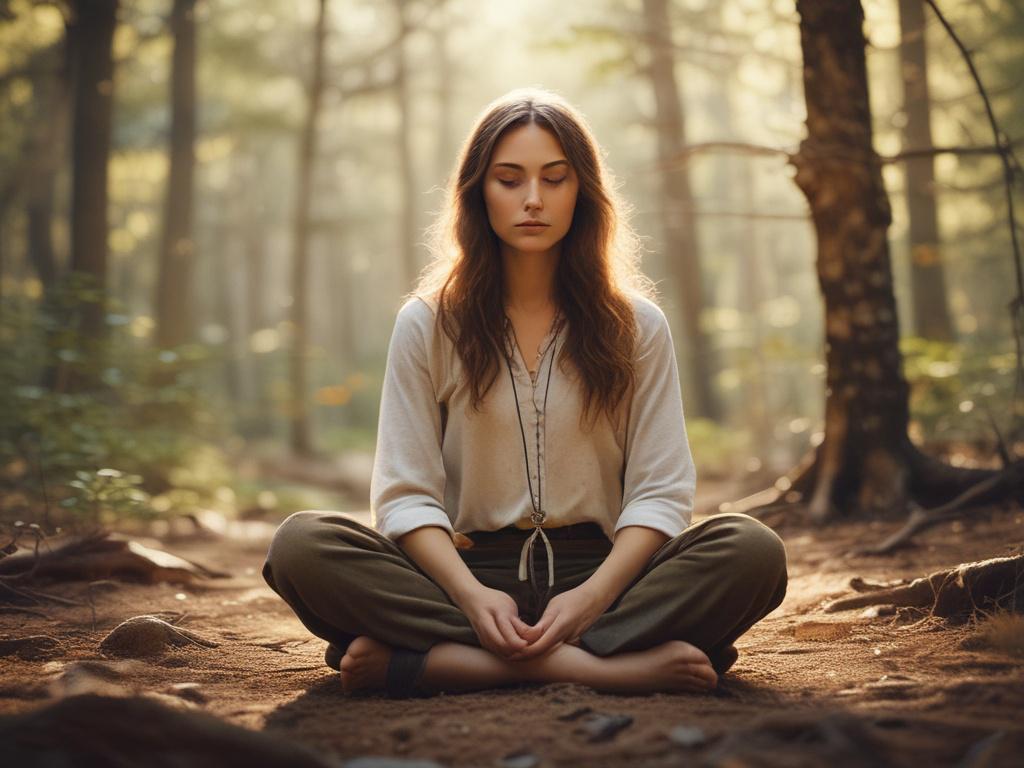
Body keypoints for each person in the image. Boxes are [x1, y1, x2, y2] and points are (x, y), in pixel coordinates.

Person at [262, 87, 787, 699]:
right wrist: (470, 595)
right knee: (302, 545)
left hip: (605, 573)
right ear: (477, 192)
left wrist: (592, 598)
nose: (533, 199)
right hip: (463, 576)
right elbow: (405, 496)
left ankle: (431, 665)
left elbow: (661, 493)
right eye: (509, 179)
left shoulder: (637, 325)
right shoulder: (428, 323)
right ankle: (609, 666)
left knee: (750, 550)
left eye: (554, 179)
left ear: (582, 191)